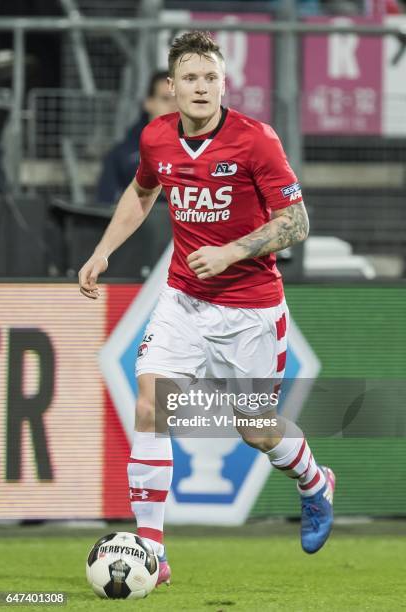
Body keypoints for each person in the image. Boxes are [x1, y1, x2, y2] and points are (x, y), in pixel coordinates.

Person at [79, 31, 335, 587]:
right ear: (172, 87)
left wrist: (233, 251)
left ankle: (315, 482)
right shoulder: (155, 138)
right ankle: (152, 552)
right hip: (183, 300)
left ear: (225, 83)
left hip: (251, 309)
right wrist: (102, 251)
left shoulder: (255, 140)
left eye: (210, 77)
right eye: (190, 78)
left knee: (255, 429)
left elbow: (298, 223)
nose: (201, 87)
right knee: (151, 404)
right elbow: (142, 192)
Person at [96, 70, 177, 205]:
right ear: (148, 103)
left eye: (179, 99)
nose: (174, 106)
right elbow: (106, 205)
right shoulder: (121, 155)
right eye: (166, 99)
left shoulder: (205, 150)